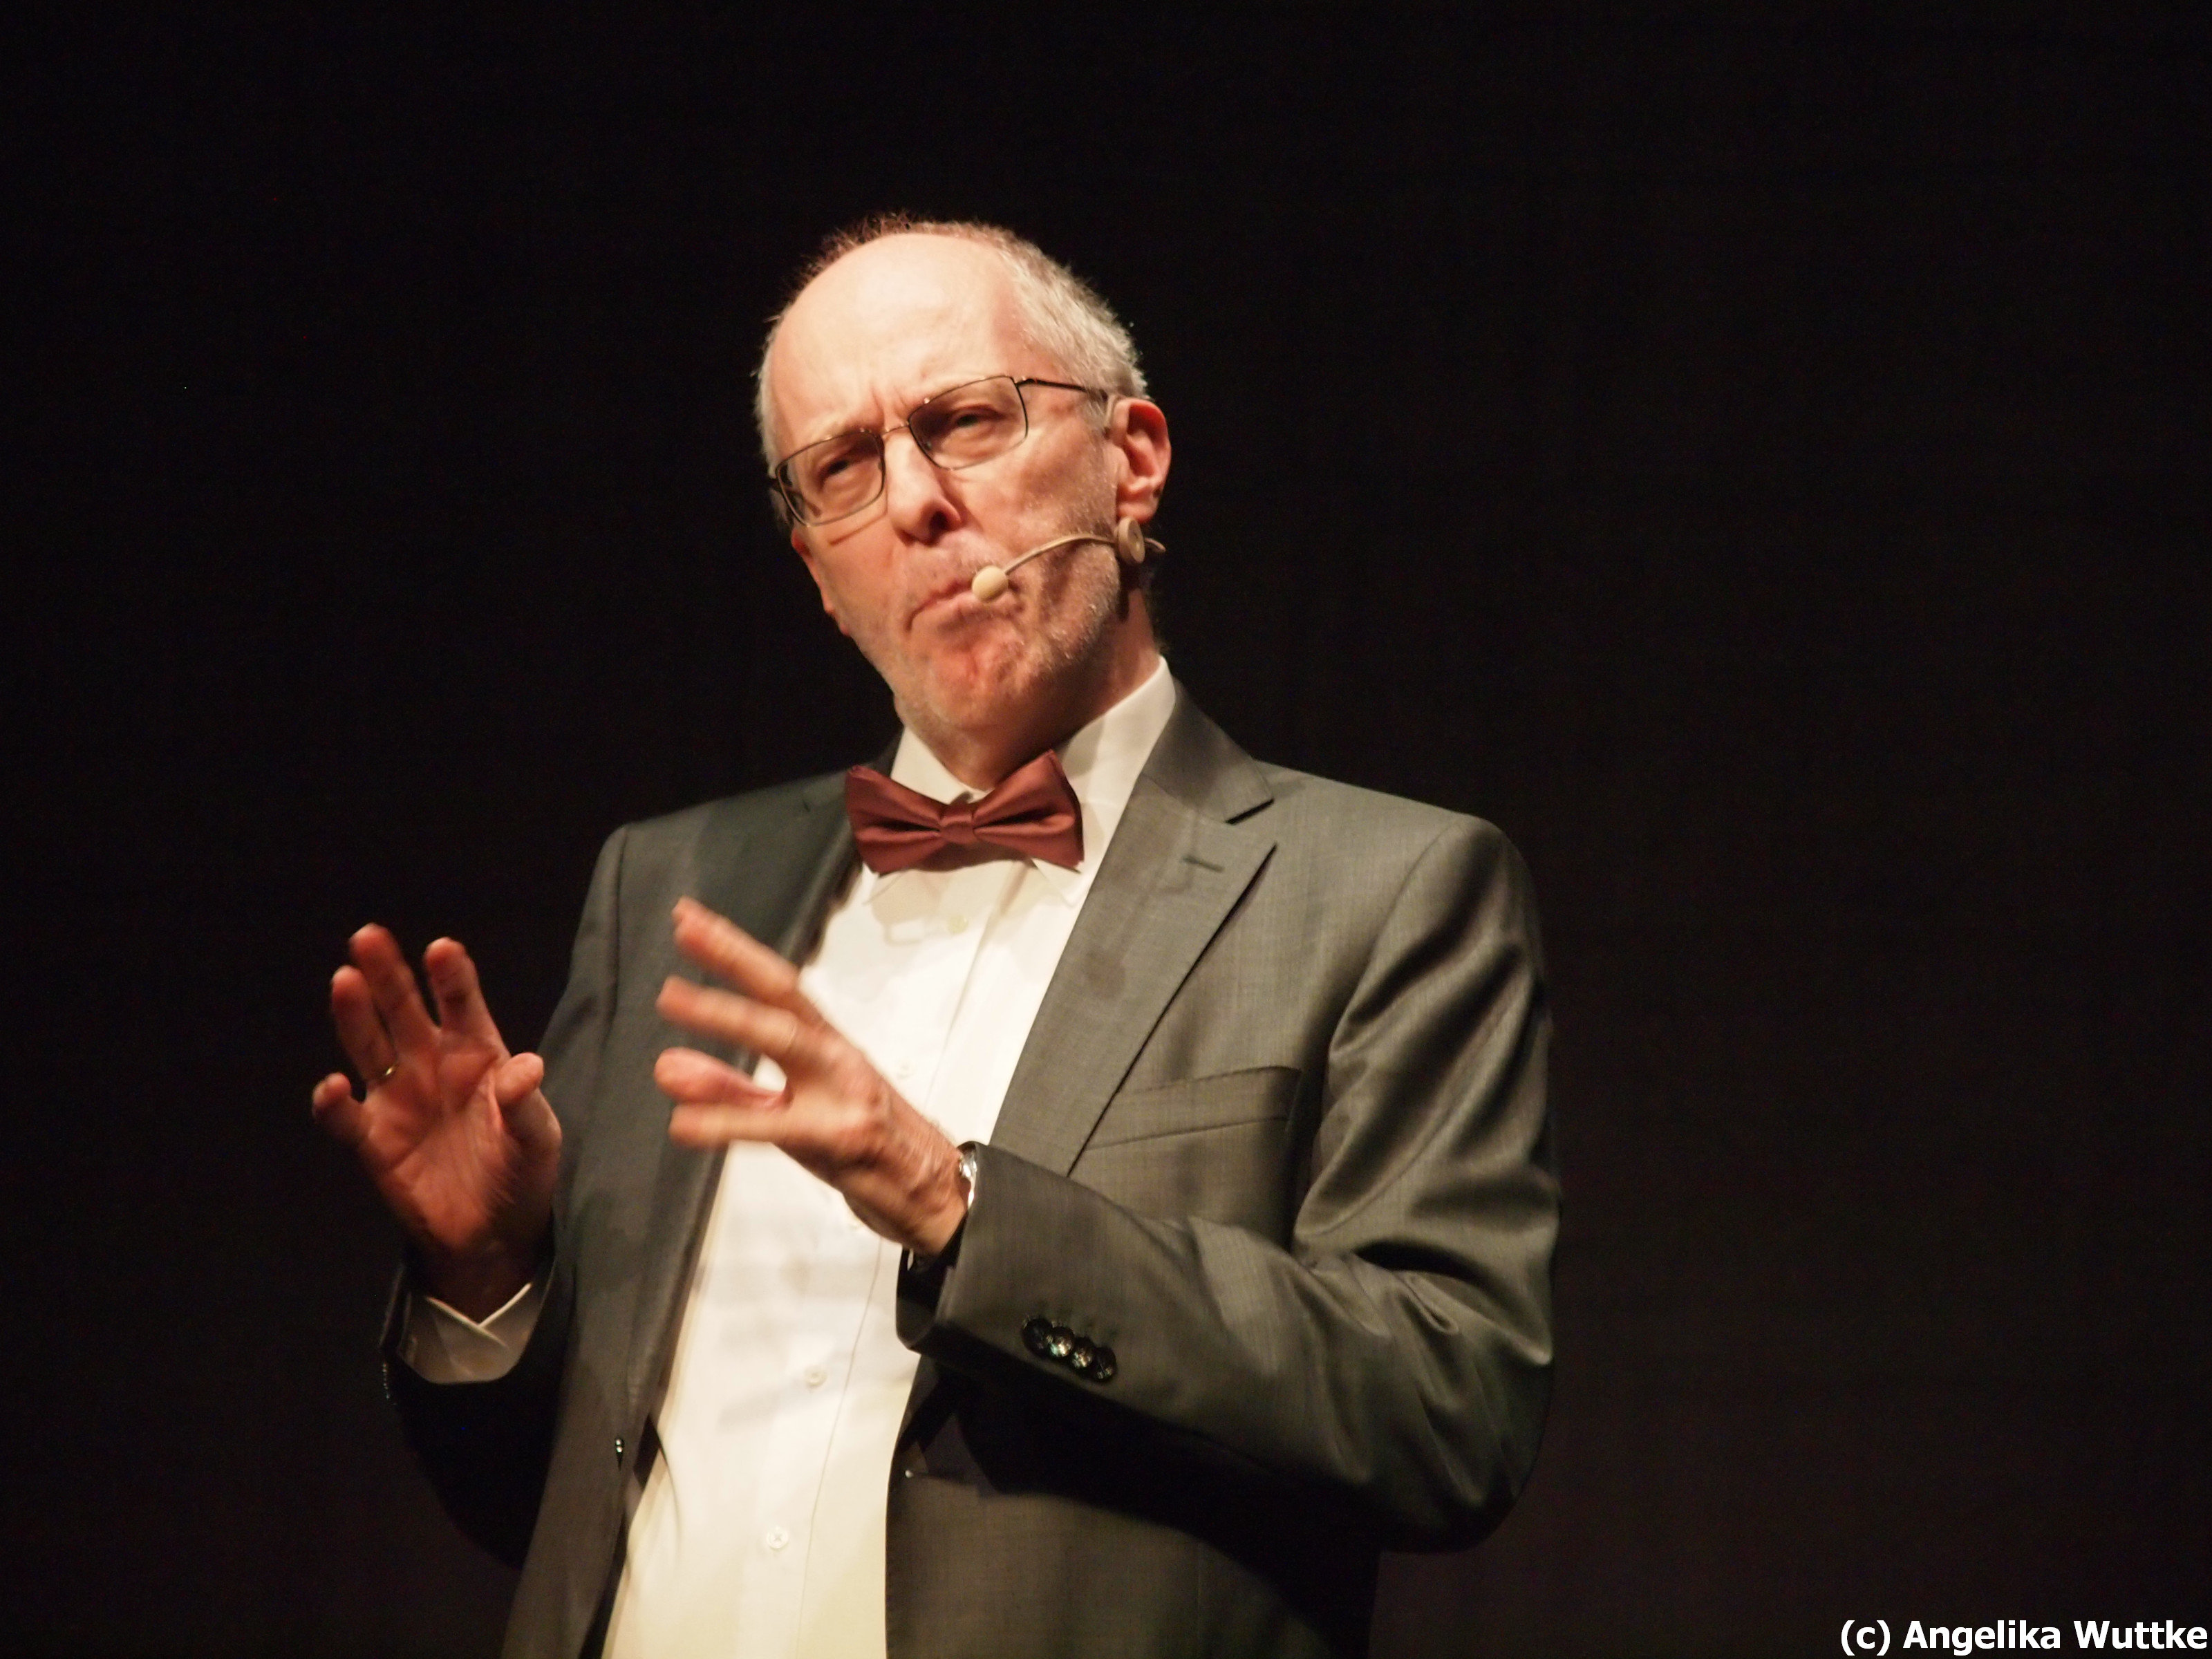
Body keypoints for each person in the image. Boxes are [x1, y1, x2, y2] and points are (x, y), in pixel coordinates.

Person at [314, 216, 1557, 1659]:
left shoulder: (1383, 888)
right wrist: (489, 1277)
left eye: (965, 420)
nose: (913, 501)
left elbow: (1450, 1409)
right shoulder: (667, 884)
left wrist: (962, 1208)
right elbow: (550, 1506)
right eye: (843, 467)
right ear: (815, 570)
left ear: (1131, 457)